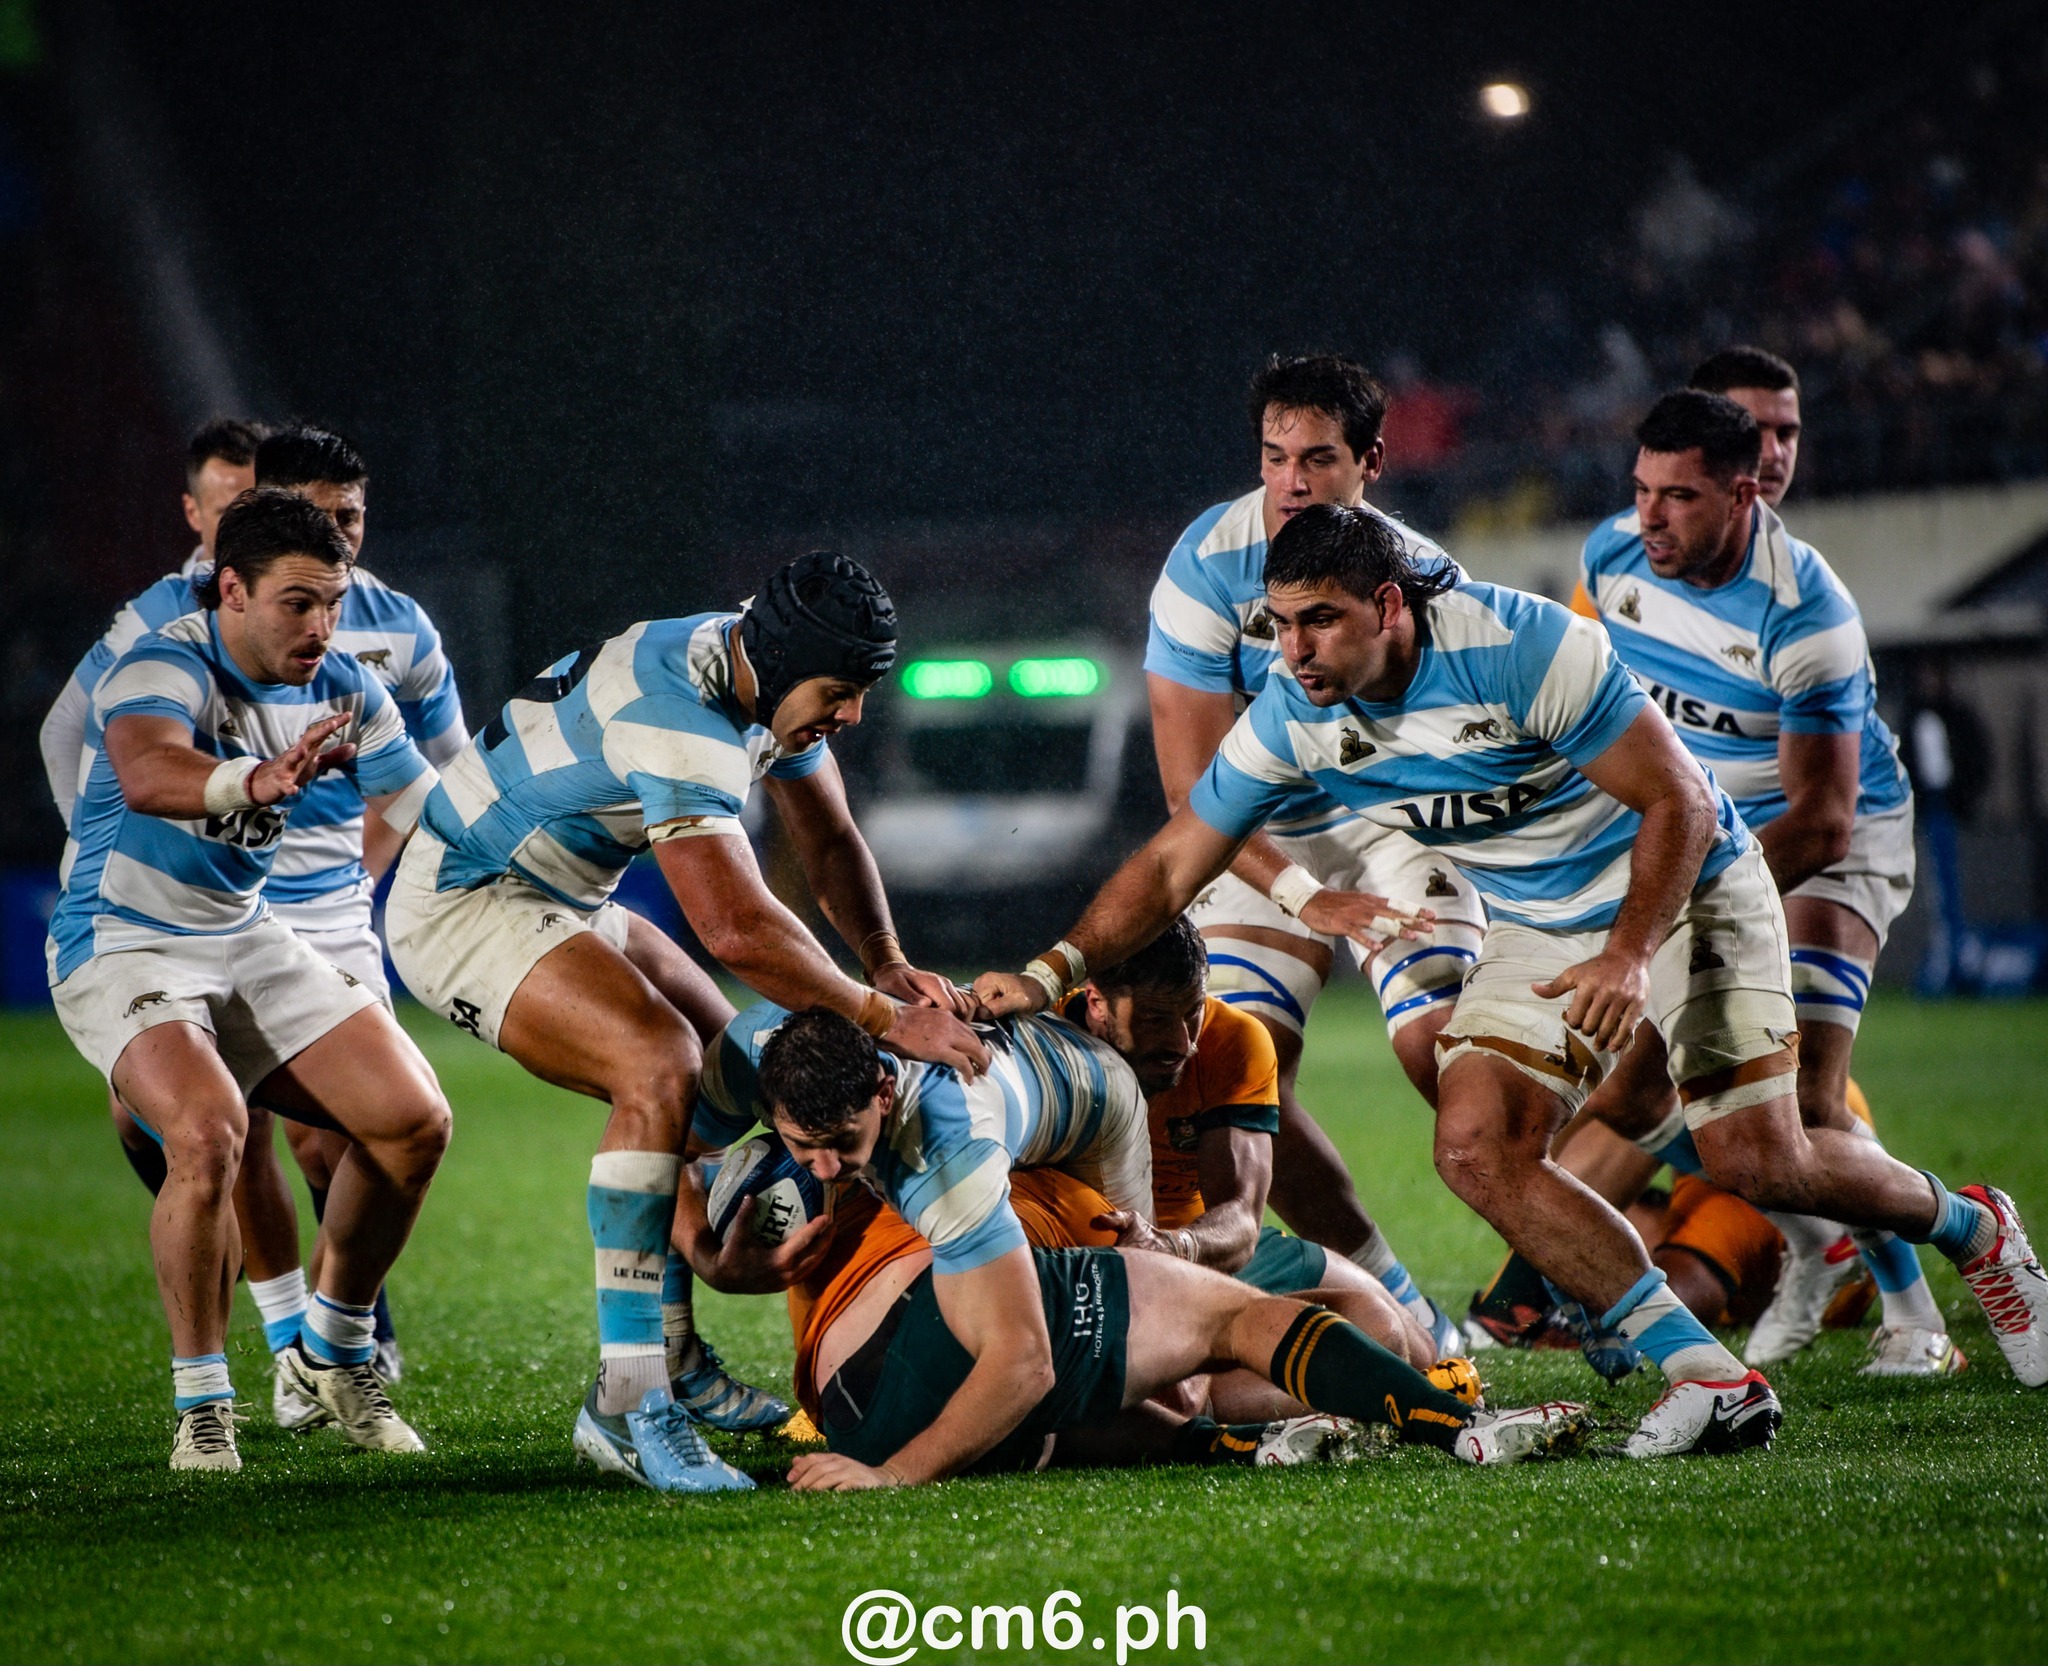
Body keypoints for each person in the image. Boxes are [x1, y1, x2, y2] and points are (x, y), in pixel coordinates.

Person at [976, 502, 2048, 1451]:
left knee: (1755, 1159)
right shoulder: (1294, 710)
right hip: (1539, 925)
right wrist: (1051, 969)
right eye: (1279, 623)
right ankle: (1706, 1373)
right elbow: (1173, 860)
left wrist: (1629, 952)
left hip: (1683, 889)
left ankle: (1972, 1228)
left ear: (1387, 605)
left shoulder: (1520, 644)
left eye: (1318, 621)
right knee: (1472, 1144)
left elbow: (1674, 800)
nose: (1292, 650)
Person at [384, 551, 988, 1493]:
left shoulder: (757, 667)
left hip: (560, 895)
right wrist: (884, 1017)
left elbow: (827, 838)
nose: (854, 714)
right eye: (841, 691)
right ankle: (630, 1401)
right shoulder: (682, 718)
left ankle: (669, 1350)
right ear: (788, 664)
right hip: (466, 900)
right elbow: (734, 928)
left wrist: (887, 964)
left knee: (750, 1061)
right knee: (660, 1063)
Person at [686, 1007, 1584, 1487]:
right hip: (886, 1376)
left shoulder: (958, 1151)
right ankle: (1462, 1432)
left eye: (841, 1143)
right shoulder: (780, 1063)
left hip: (860, 1380)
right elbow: (1024, 1363)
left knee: (1087, 1356)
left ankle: (1214, 1444)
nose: (824, 1168)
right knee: (1222, 1317)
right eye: (800, 1147)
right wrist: (893, 1475)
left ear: (885, 1087)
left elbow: (1031, 1364)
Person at [38, 424, 469, 1413]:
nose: (331, 599)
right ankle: (233, 1376)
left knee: (386, 1125)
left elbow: (436, 790)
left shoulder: (379, 639)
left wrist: (541, 854)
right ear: (230, 572)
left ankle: (329, 1343)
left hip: (295, 913)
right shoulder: (163, 638)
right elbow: (128, 759)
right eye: (306, 587)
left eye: (347, 534)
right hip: (141, 926)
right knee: (203, 1131)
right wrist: (117, 832)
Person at [1573, 379, 1975, 1377]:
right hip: (1703, 834)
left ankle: (1917, 1307)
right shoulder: (1609, 556)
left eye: (1676, 498)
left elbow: (1823, 818)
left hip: (1830, 844)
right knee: (1627, 1098)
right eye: (1640, 491)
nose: (1648, 518)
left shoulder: (1806, 611)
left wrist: (1670, 901)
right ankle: (1808, 1245)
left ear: (1741, 494)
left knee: (1804, 1102)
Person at [1144, 353, 1483, 1355]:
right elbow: (1188, 790)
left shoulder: (1421, 578)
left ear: (1370, 463)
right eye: (1272, 455)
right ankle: (1401, 1302)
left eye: (1317, 458)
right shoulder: (1204, 564)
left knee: (1442, 1051)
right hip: (1262, 828)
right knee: (1234, 1077)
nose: (1290, 479)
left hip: (1397, 821)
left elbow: (1473, 755)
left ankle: (1573, 1255)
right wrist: (1300, 892)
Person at [1058, 914, 1435, 1367]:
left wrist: (1172, 1247)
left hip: (1201, 1249)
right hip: (1083, 1258)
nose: (1182, 1041)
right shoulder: (1046, 1042)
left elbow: (1239, 1222)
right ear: (1096, 1002)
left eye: (1191, 1011)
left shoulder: (1232, 1039)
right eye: (1157, 1017)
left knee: (1407, 1347)